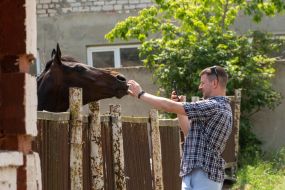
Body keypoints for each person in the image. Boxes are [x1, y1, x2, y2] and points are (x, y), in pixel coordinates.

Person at [127, 65, 232, 190]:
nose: (200, 87)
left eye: (203, 83)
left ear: (214, 83)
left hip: (205, 177)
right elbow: (189, 133)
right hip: (193, 174)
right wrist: (179, 108)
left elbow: (168, 106)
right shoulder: (216, 107)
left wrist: (141, 94)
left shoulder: (215, 105)